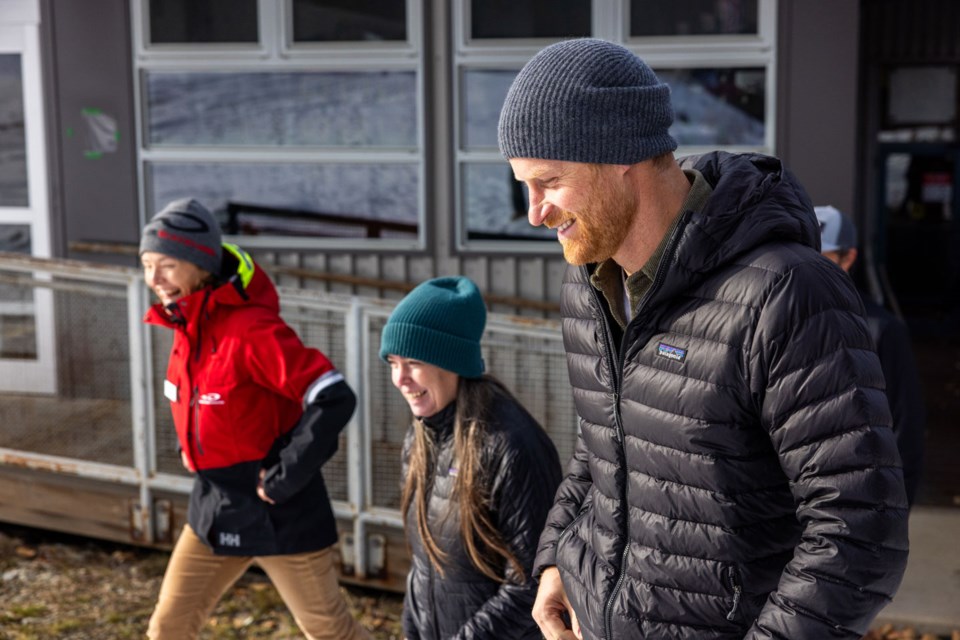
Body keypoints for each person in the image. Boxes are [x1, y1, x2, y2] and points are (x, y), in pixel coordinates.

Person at [497, 39, 909, 640]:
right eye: (524, 186)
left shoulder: (786, 293)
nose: (535, 213)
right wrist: (560, 553)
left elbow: (858, 526)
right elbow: (604, 441)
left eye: (549, 182)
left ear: (619, 156)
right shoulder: (588, 284)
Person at [139, 198, 369, 640]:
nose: (154, 280)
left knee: (329, 630)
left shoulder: (251, 330)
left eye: (166, 264)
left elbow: (333, 395)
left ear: (200, 263)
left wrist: (286, 474)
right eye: (147, 265)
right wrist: (194, 450)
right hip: (216, 503)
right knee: (168, 628)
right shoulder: (188, 325)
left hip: (281, 510)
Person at [379, 276, 563, 640]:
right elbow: (423, 566)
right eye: (392, 362)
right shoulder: (421, 437)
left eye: (413, 362)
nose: (400, 378)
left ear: (452, 363)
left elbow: (531, 582)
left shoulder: (511, 445)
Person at [815, 204, 926, 505]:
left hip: (854, 504)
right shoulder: (772, 320)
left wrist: (891, 514)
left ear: (848, 258)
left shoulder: (881, 330)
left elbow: (905, 430)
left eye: (821, 257)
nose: (808, 266)